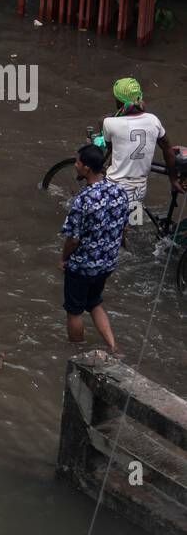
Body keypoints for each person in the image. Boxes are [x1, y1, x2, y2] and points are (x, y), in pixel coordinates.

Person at [60, 144, 130, 353]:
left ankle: (77, 353)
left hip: (83, 266)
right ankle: (113, 346)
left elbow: (73, 239)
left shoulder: (83, 199)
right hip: (107, 263)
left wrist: (63, 259)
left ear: (87, 168)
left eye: (78, 162)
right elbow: (125, 227)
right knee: (94, 303)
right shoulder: (119, 191)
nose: (75, 165)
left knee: (74, 311)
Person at [100, 78, 183, 215]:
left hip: (115, 188)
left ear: (119, 102)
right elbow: (168, 149)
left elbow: (110, 148)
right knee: (132, 222)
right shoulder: (153, 120)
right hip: (140, 188)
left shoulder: (109, 123)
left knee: (108, 228)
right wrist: (173, 179)